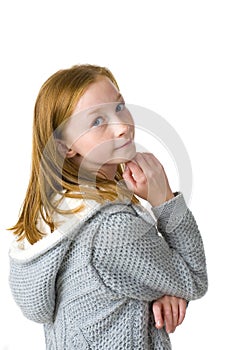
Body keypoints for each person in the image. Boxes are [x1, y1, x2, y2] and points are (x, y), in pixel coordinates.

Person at [9, 64, 208, 349]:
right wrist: (164, 199)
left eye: (119, 106)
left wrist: (161, 287)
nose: (122, 126)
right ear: (66, 147)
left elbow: (131, 278)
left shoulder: (59, 212)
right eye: (96, 121)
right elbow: (194, 277)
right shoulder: (111, 227)